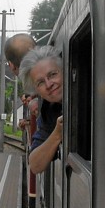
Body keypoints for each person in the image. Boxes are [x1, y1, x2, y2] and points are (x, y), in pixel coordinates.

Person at [19, 46, 64, 174]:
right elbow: (35, 165)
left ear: (64, 71)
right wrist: (57, 134)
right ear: (37, 92)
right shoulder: (48, 111)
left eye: (53, 74)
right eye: (40, 83)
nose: (49, 84)